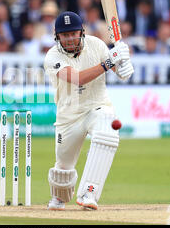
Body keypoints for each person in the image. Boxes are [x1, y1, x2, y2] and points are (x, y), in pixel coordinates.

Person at [44, 11, 133, 210]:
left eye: (73, 33)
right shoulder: (52, 56)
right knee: (63, 168)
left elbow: (120, 73)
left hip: (97, 105)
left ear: (81, 32)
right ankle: (59, 197)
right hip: (69, 116)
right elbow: (78, 79)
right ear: (57, 37)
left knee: (107, 134)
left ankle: (89, 193)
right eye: (64, 35)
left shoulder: (97, 45)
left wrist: (123, 59)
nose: (69, 39)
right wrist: (110, 61)